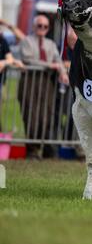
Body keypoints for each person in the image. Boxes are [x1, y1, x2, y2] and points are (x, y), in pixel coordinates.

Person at [18, 15, 69, 158]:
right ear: (34, 27)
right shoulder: (26, 41)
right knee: (31, 117)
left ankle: (45, 149)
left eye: (45, 26)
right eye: (39, 26)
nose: (42, 29)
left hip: (46, 83)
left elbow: (58, 61)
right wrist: (50, 65)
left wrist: (63, 72)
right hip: (30, 82)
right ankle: (32, 151)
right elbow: (28, 60)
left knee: (46, 117)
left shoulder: (50, 44)